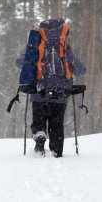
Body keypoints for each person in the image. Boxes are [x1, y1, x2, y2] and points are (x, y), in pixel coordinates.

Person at [16, 18, 86, 158]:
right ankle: (56, 150)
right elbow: (80, 70)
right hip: (61, 94)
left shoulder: (37, 44)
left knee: (39, 119)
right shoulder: (64, 46)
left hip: (39, 92)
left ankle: (40, 135)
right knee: (56, 123)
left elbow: (20, 63)